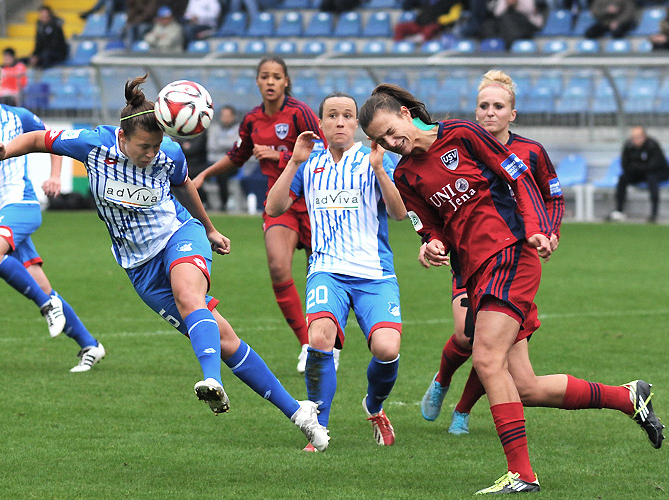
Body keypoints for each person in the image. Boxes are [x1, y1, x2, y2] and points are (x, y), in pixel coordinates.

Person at [0, 74, 330, 451]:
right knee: (224, 339)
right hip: (138, 268)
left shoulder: (170, 153)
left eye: (157, 145)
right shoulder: (92, 144)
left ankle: (212, 381)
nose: (151, 154)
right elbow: (38, 139)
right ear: (122, 137)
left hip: (178, 236)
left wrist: (208, 229)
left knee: (189, 296)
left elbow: (184, 186)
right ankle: (299, 413)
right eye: (144, 147)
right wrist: (6, 151)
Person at [359, 83, 664, 494]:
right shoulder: (404, 174)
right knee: (525, 386)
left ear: (403, 111)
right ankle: (628, 398)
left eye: (391, 131)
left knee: (485, 358)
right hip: (475, 273)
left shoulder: (462, 134)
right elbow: (427, 224)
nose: (391, 143)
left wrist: (538, 229)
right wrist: (431, 245)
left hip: (509, 255)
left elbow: (518, 177)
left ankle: (522, 474)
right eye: (380, 141)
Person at [418, 70, 565, 436]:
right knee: (468, 335)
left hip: (516, 258)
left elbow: (553, 196)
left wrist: (549, 231)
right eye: (483, 106)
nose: (490, 112)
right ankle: (442, 380)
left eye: (498, 106)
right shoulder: (461, 148)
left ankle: (463, 411)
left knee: (492, 345)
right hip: (469, 259)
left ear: (512, 113)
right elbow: (436, 206)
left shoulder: (530, 152)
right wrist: (429, 241)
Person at [0, 59, 105, 373]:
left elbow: (55, 141)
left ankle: (47, 306)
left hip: (22, 204)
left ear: (0, 84)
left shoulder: (19, 117)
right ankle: (90, 345)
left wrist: (56, 176)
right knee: (42, 284)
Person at [266, 92, 406, 451]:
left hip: (375, 273)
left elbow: (399, 212)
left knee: (387, 349)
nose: (340, 121)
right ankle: (319, 426)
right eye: (332, 115)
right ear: (321, 123)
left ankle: (373, 405)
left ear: (356, 124)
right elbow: (274, 205)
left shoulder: (373, 158)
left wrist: (379, 169)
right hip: (327, 270)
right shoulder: (309, 161)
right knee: (319, 339)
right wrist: (293, 163)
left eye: (347, 115)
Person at [194, 56, 329, 374]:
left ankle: (326, 342)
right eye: (264, 76)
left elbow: (322, 151)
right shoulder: (252, 120)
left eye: (276, 77)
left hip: (314, 202)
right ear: (257, 81)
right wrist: (204, 176)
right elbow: (237, 156)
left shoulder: (300, 113)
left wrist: (279, 155)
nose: (270, 82)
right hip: (279, 203)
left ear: (286, 82)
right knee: (278, 267)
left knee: (321, 276)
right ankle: (307, 346)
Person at [609, 126, 669, 223]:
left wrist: (637, 167)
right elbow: (625, 164)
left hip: (656, 173)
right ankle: (619, 210)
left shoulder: (653, 145)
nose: (635, 140)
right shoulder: (628, 146)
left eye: (637, 137)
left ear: (644, 136)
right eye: (633, 137)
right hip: (638, 173)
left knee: (651, 178)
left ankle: (654, 213)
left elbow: (656, 165)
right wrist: (637, 168)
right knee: (623, 178)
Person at [204, 104, 239, 212]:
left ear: (233, 116)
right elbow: (211, 145)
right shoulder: (214, 128)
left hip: (231, 163)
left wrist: (220, 143)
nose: (225, 118)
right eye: (223, 115)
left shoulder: (239, 129)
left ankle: (223, 204)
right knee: (194, 171)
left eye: (228, 116)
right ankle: (205, 203)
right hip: (213, 161)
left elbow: (237, 145)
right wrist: (227, 143)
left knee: (221, 173)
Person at [479, 0, 544, 49]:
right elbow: (497, 13)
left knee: (508, 20)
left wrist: (516, 4)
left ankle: (509, 48)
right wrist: (507, 4)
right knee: (488, 25)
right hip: (506, 23)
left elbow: (529, 10)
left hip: (526, 23)